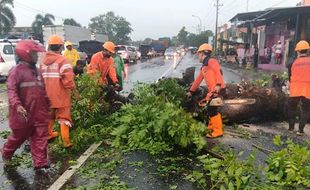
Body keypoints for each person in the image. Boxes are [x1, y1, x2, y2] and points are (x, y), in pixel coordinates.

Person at [1, 40, 50, 170]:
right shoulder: (16, 72)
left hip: (39, 113)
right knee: (18, 138)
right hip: (23, 115)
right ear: (26, 54)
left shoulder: (38, 71)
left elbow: (43, 91)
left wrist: (49, 105)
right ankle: (6, 152)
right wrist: (17, 106)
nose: (37, 56)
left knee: (40, 138)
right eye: (34, 53)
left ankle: (40, 163)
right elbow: (11, 91)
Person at [40, 35, 80, 148]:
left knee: (50, 115)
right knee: (64, 117)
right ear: (61, 47)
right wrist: (75, 92)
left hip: (46, 95)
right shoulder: (62, 60)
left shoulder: (42, 61)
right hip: (60, 95)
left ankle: (48, 134)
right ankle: (66, 142)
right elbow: (68, 81)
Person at [186, 43, 225, 138]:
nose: (198, 56)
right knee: (210, 109)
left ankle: (218, 131)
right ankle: (211, 128)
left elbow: (218, 72)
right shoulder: (204, 67)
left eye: (198, 54)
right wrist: (191, 91)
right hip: (212, 91)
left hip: (218, 90)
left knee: (212, 110)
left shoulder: (212, 61)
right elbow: (198, 80)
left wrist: (218, 85)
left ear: (202, 54)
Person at [287, 40, 310, 136]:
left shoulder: (292, 62)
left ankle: (291, 128)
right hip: (307, 88)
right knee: (306, 109)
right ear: (307, 51)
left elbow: (289, 76)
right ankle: (300, 130)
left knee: (292, 108)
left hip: (295, 88)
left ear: (297, 51)